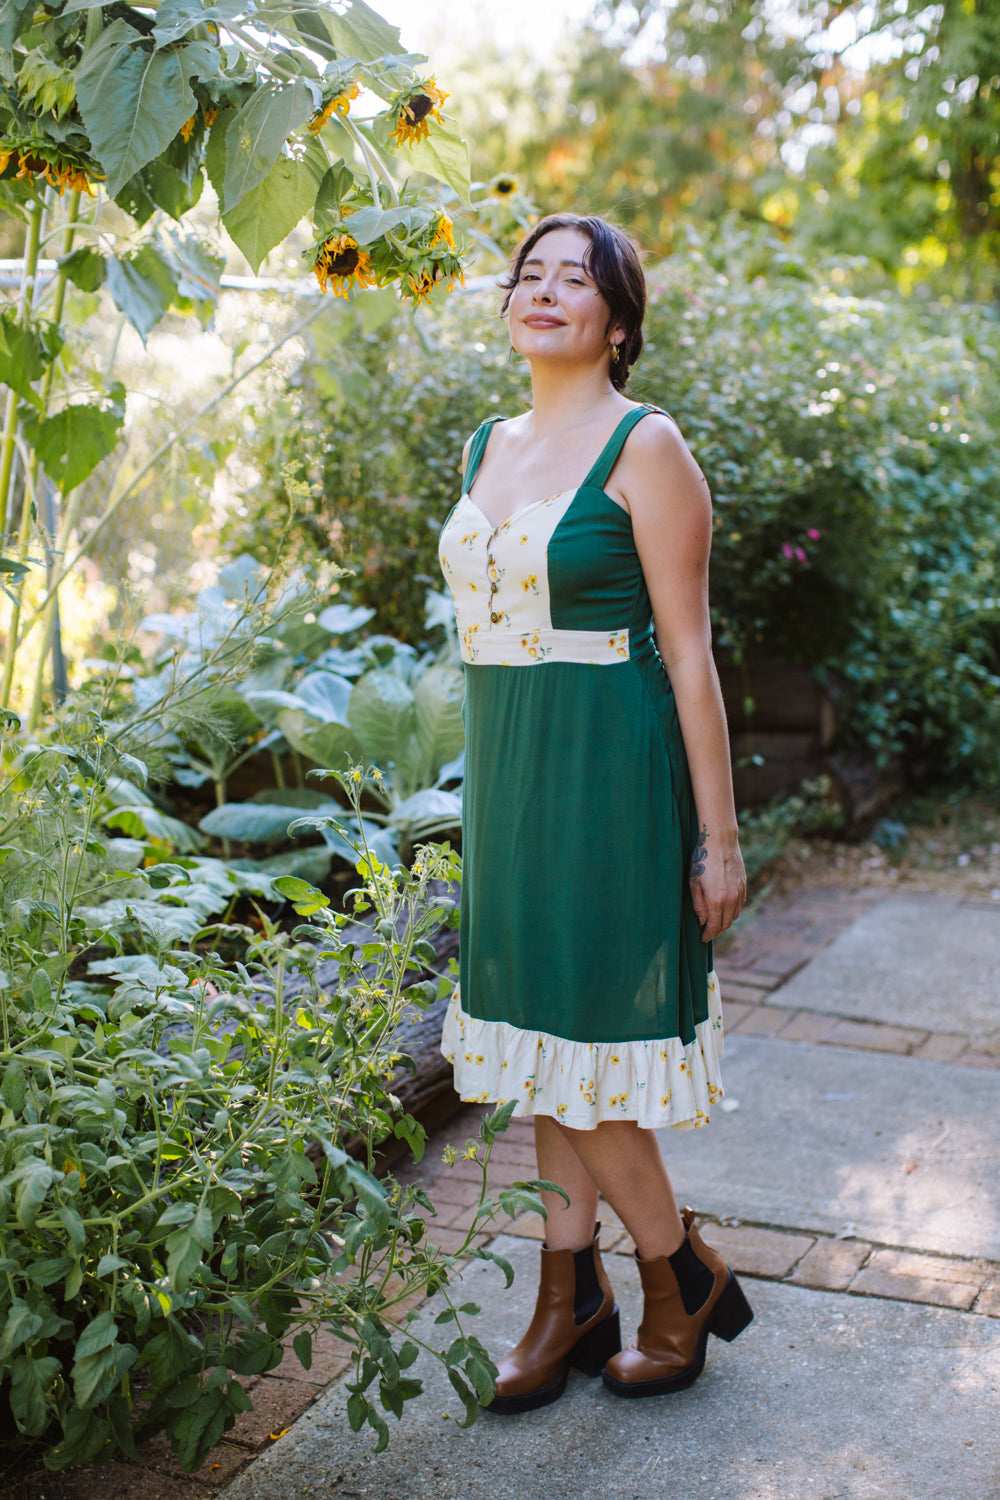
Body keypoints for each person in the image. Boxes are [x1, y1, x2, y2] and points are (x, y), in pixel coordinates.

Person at [436, 212, 752, 1413]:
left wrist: (719, 838)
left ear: (618, 322)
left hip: (609, 781)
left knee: (591, 1065)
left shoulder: (646, 446)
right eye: (530, 274)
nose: (545, 290)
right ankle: (569, 1302)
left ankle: (683, 1279)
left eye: (576, 278)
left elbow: (690, 658)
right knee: (542, 1048)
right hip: (509, 780)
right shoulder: (485, 445)